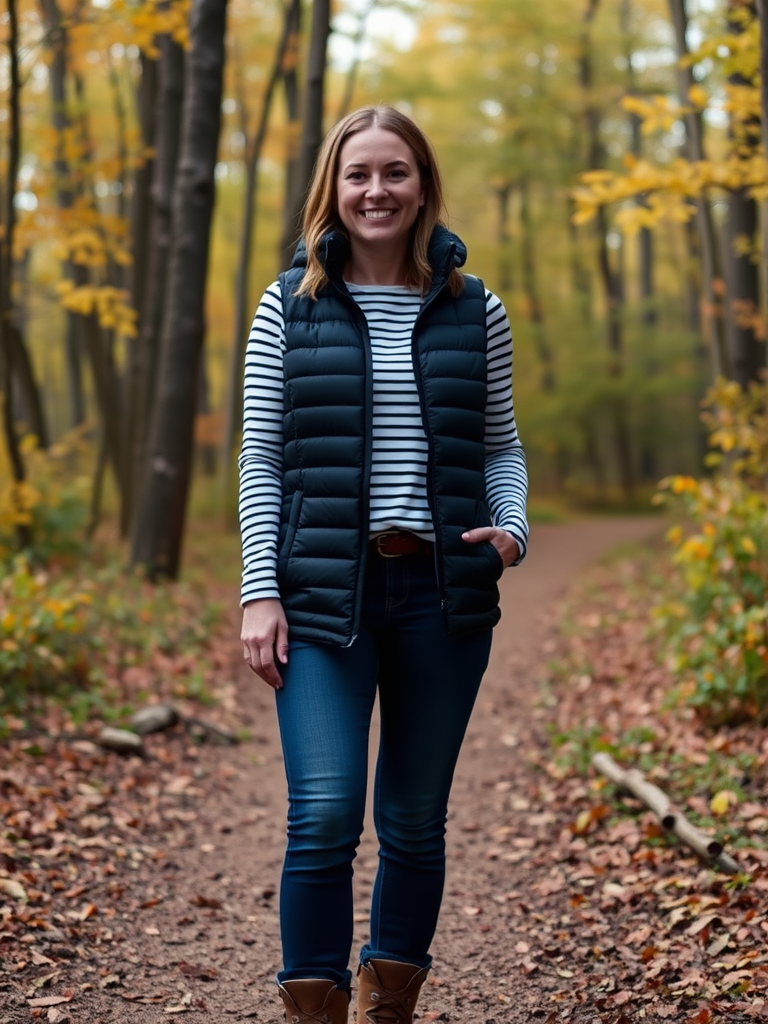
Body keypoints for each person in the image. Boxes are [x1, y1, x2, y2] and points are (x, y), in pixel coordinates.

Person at [238, 105, 528, 1024]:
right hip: (324, 593)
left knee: (411, 820)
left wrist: (512, 529)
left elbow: (501, 450)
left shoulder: (475, 307)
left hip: (442, 598)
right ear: (334, 186)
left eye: (394, 172)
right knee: (323, 812)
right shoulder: (290, 305)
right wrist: (258, 590)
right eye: (359, 174)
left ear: (422, 184)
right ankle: (316, 1005)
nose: (376, 191)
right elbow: (260, 456)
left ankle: (390, 999)